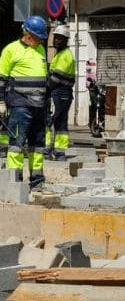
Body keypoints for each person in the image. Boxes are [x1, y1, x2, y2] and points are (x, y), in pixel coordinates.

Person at [0, 15, 49, 188]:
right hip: (20, 105)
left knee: (38, 145)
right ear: (28, 34)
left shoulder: (41, 50)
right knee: (16, 145)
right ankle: (15, 182)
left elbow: (44, 78)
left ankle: (37, 181)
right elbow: (1, 79)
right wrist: (1, 102)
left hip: (39, 106)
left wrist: (48, 102)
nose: (40, 41)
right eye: (38, 37)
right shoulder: (10, 50)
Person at [44, 24, 76, 161]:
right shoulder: (62, 54)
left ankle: (45, 151)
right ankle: (60, 153)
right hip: (64, 94)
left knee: (47, 122)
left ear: (66, 40)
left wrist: (45, 91)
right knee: (61, 124)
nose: (56, 41)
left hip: (58, 93)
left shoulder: (64, 55)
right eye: (55, 38)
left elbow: (55, 78)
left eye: (59, 38)